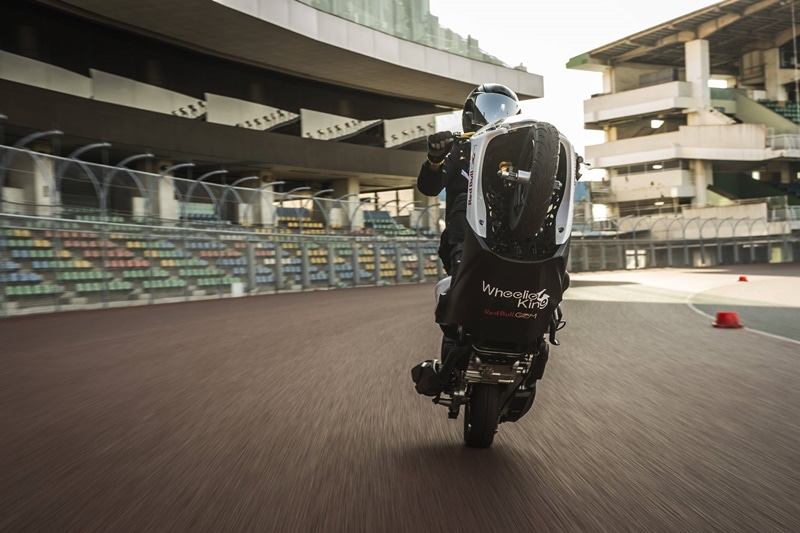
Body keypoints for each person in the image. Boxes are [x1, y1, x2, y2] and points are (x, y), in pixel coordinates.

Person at [411, 83, 522, 396]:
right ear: (471, 114)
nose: (496, 116)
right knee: (457, 292)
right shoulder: (458, 148)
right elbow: (429, 188)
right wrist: (435, 158)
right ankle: (452, 351)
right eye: (490, 108)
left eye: (503, 110)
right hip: (465, 238)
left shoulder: (520, 151)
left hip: (512, 240)